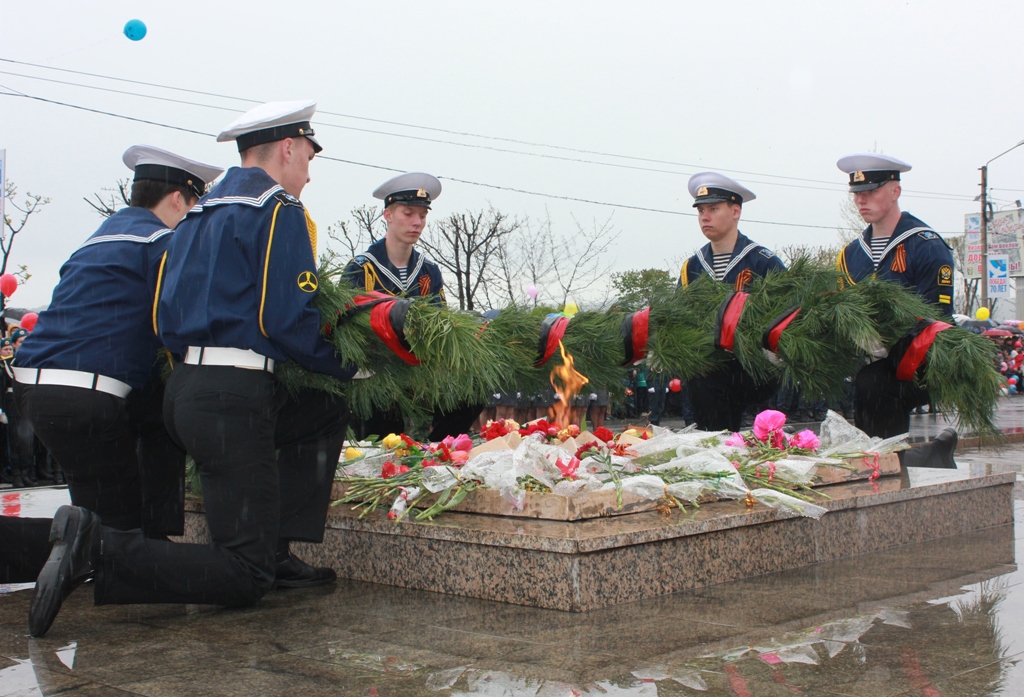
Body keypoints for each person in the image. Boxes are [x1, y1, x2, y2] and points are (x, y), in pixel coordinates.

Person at [28, 101, 353, 638]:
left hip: (184, 390)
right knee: (244, 576)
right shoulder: (277, 208)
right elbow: (285, 317)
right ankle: (102, 546)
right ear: (289, 148)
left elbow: (161, 317)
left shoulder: (199, 214)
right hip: (234, 393)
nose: (310, 172)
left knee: (319, 413)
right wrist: (344, 365)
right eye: (310, 156)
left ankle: (273, 549)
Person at [2, 147, 222, 588]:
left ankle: (137, 541)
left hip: (35, 389)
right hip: (87, 393)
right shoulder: (162, 242)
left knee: (94, 509)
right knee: (113, 536)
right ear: (178, 200)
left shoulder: (97, 240)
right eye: (195, 204)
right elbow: (182, 321)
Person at [835, 154, 958, 454]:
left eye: (871, 191)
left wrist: (890, 343)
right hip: (867, 367)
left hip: (919, 364)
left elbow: (937, 319)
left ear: (895, 191)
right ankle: (899, 464)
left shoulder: (925, 245)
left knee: (876, 386)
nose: (862, 200)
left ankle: (892, 471)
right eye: (857, 194)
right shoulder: (851, 255)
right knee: (866, 393)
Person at [344, 173, 481, 440]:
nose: (417, 222)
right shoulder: (362, 268)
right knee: (383, 434)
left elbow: (441, 324)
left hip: (423, 374)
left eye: (422, 215)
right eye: (408, 213)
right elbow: (347, 332)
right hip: (376, 376)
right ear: (388, 215)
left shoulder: (429, 271)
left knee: (473, 391)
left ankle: (437, 451)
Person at [678, 172, 786, 431]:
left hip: (754, 368)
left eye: (713, 208)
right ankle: (718, 449)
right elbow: (680, 317)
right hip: (707, 369)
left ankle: (718, 449)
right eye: (701, 210)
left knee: (708, 382)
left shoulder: (762, 261)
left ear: (735, 211)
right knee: (702, 382)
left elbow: (788, 314)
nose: (705, 216)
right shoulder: (692, 267)